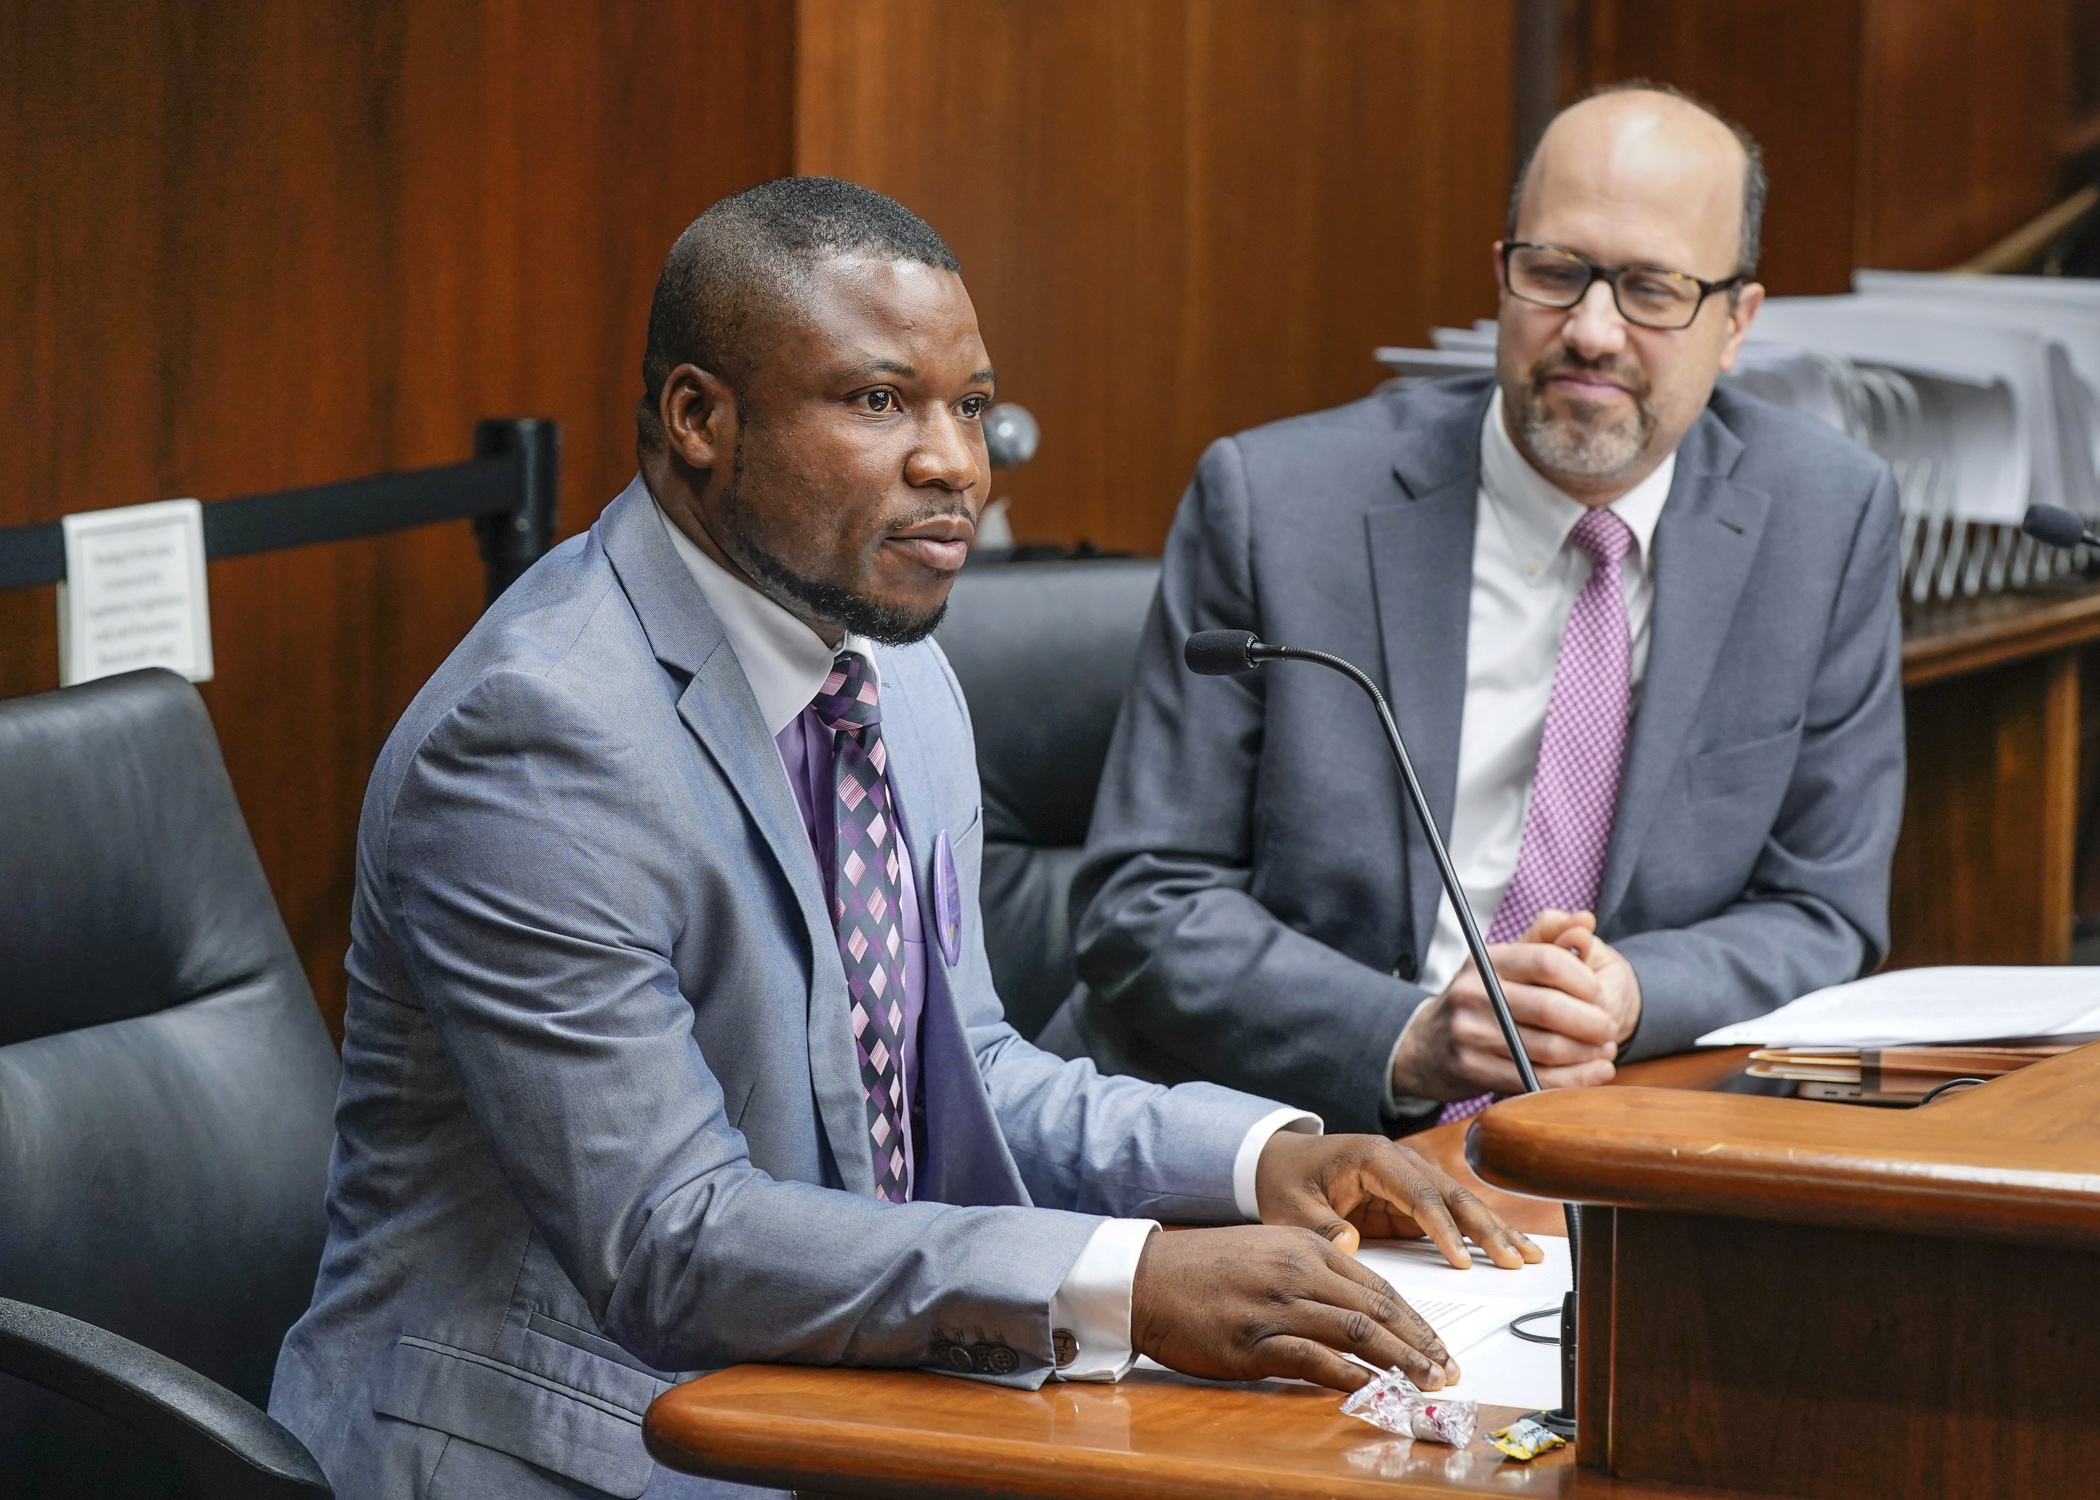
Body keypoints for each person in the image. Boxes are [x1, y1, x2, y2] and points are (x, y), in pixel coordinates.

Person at [268, 178, 1539, 1500]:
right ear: (701, 418)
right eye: (880, 402)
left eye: (971, 405)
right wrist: (1128, 1279)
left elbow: (960, 1063)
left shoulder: (890, 670)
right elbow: (668, 1235)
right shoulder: (537, 738)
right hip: (576, 1443)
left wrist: (1259, 1162)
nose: (957, 465)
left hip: (837, 1399)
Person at [1050, 83, 1905, 1135]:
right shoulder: (1277, 504)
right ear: (1499, 275)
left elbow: (1824, 907)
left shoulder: (1823, 517)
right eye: (1555, 273)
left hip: (1615, 1133)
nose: (1592, 331)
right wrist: (1404, 1040)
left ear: (1738, 324)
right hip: (1280, 1141)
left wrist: (1632, 994)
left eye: (1651, 289)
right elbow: (1141, 901)